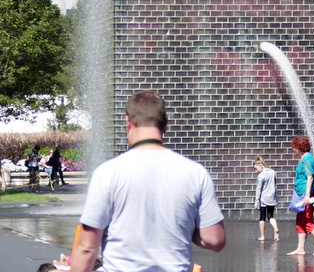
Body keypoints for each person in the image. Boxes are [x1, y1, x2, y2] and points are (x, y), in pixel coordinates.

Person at [68, 90, 225, 272]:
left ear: (128, 122)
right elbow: (215, 240)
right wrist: (185, 228)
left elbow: (87, 248)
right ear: (165, 125)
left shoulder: (107, 173)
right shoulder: (196, 173)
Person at [287, 135, 314, 256]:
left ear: (299, 147)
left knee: (308, 221)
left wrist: (306, 196)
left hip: (306, 195)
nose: (293, 149)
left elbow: (310, 177)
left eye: (294, 147)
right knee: (300, 221)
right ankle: (300, 248)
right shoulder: (307, 158)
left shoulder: (306, 159)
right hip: (301, 193)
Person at [253, 155, 280, 241]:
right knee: (271, 215)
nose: (256, 171)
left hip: (264, 198)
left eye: (256, 169)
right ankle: (275, 229)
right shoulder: (273, 172)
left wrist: (256, 201)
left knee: (262, 217)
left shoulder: (261, 176)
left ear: (260, 165)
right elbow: (275, 184)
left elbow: (258, 189)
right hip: (272, 197)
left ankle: (262, 236)